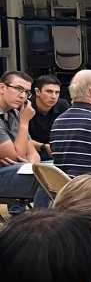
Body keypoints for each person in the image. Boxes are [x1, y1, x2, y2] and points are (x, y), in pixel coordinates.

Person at [0, 70, 43, 207]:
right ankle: (43, 224)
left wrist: (29, 164)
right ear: (2, 88)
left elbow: (34, 154)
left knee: (55, 173)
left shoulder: (15, 113)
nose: (23, 96)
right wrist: (24, 123)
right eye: (19, 89)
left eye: (26, 92)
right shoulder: (23, 117)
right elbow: (14, 157)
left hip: (11, 171)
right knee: (47, 180)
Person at [28, 74, 69, 159]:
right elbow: (18, 138)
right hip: (30, 152)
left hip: (56, 152)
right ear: (37, 92)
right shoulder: (25, 106)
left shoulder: (63, 105)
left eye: (57, 92)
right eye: (49, 91)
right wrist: (43, 146)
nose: (54, 96)